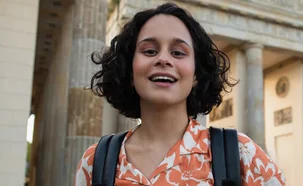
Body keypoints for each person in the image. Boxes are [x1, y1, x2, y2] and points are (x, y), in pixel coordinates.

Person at [74, 2, 286, 186]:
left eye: (178, 52)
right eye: (149, 51)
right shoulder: (95, 162)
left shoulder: (241, 154)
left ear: (196, 75)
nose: (163, 59)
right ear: (129, 71)